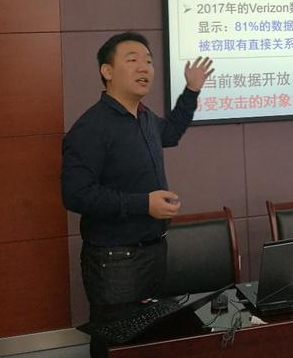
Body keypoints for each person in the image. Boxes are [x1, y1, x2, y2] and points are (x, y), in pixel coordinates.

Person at [61, 31, 213, 357]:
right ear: (107, 71)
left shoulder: (143, 116)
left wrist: (191, 90)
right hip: (115, 260)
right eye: (132, 60)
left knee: (147, 340)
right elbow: (75, 194)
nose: (144, 67)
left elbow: (170, 133)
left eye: (148, 61)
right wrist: (144, 203)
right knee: (117, 343)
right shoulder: (91, 127)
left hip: (154, 251)